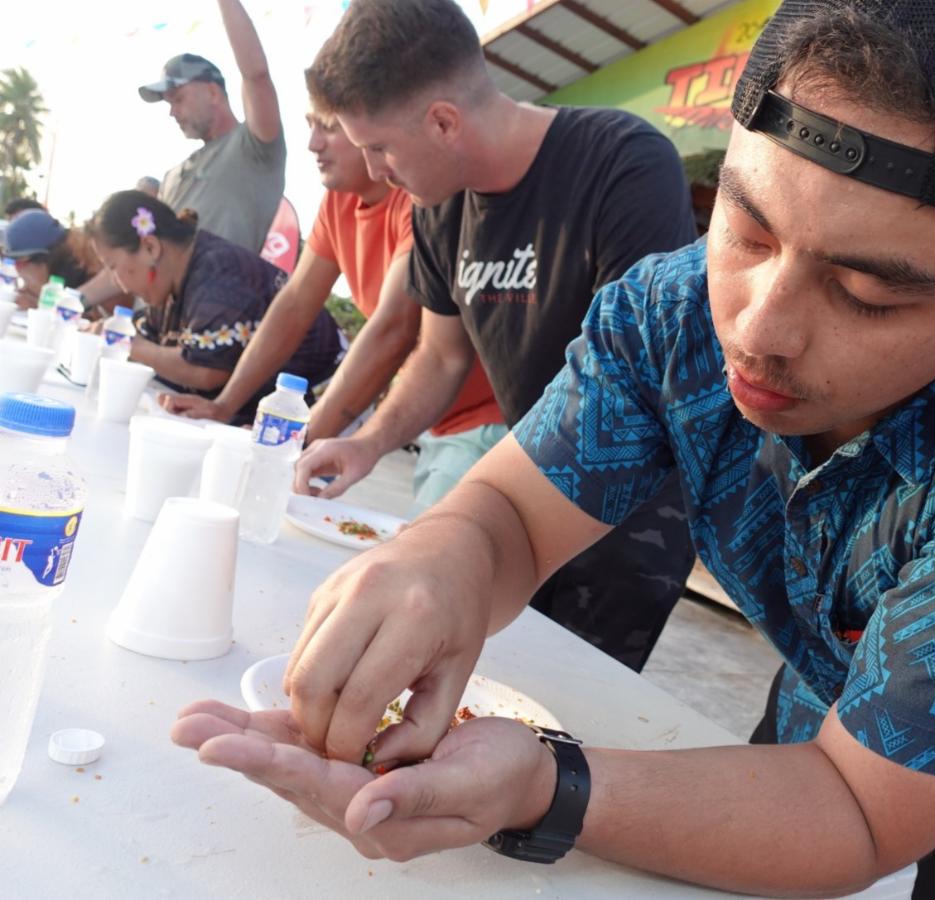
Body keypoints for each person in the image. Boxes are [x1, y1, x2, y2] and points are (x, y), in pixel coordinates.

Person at [172, 1, 935, 898]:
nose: (759, 329)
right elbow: (515, 513)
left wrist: (546, 783)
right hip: (832, 696)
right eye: (747, 231)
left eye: (869, 293)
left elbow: (856, 812)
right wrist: (443, 557)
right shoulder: (672, 308)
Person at [284, 0, 698, 672]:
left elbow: (625, 387)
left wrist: (469, 515)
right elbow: (441, 356)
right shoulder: (440, 207)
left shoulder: (623, 163)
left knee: (564, 705)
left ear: (443, 121)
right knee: (474, 678)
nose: (379, 170)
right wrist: (367, 442)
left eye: (380, 147)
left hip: (634, 507)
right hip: (527, 484)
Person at [162, 107, 506, 513]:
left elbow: (392, 329)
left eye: (328, 127)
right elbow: (293, 305)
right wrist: (225, 404)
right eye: (309, 124)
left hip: (489, 421)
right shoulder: (339, 201)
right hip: (434, 419)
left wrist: (299, 443)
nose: (312, 144)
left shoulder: (423, 201)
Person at [88, 191, 341, 424]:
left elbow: (208, 371)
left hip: (324, 408)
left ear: (150, 248)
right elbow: (150, 339)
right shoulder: (167, 288)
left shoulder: (219, 274)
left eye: (112, 266)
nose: (116, 282)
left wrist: (127, 343)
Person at [138, 0, 284, 253]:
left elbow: (256, 75)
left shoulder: (253, 147)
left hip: (222, 290)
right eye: (168, 103)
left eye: (179, 98)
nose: (172, 112)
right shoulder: (172, 176)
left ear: (213, 93)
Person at [4, 209, 94, 309]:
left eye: (19, 263)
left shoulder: (95, 288)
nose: (17, 271)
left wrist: (41, 306)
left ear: (45, 260)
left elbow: (72, 316)